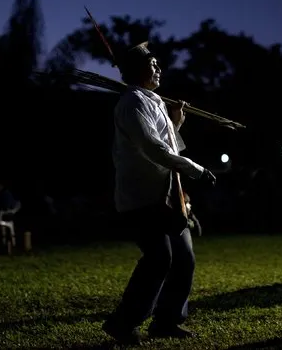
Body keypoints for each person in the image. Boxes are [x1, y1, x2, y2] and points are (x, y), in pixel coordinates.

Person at [102, 42, 216, 345]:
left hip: (167, 195)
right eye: (153, 64)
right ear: (137, 70)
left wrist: (175, 123)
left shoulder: (152, 102)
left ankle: (166, 321)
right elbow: (154, 149)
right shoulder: (132, 104)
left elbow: (169, 147)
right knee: (159, 258)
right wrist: (197, 169)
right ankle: (123, 322)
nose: (159, 68)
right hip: (143, 197)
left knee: (184, 259)